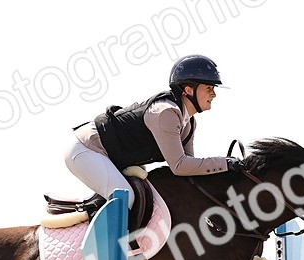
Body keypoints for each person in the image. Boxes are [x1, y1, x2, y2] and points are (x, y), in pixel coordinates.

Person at [65, 54, 243, 201]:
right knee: (126, 198)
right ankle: (103, 245)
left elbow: (189, 167)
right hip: (86, 150)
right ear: (189, 89)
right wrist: (224, 163)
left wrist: (226, 174)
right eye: (209, 87)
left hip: (110, 156)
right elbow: (179, 166)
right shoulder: (166, 113)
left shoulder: (189, 122)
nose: (214, 93)